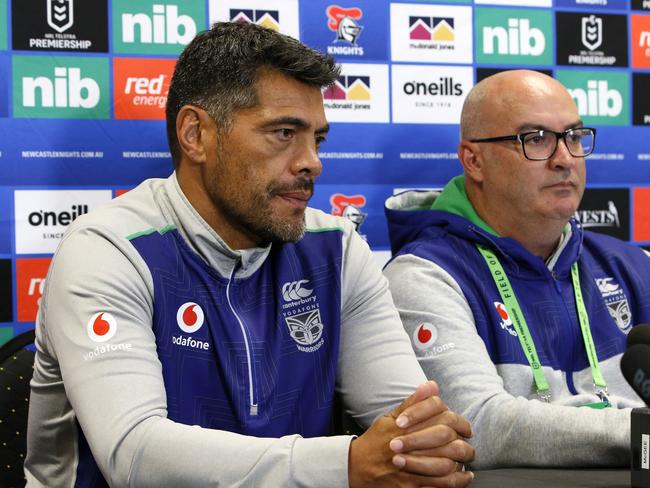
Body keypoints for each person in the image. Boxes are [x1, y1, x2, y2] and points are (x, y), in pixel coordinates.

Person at [24, 22, 475, 487]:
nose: (312, 162)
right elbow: (134, 455)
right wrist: (344, 465)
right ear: (196, 134)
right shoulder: (108, 251)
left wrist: (426, 447)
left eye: (316, 139)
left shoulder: (337, 251)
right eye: (283, 133)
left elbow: (410, 426)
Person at [383, 69, 650, 469]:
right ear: (474, 160)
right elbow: (477, 425)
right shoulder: (425, 275)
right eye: (536, 139)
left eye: (574, 137)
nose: (564, 160)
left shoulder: (631, 264)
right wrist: (638, 434)